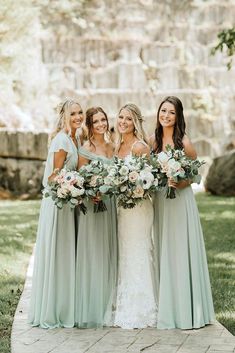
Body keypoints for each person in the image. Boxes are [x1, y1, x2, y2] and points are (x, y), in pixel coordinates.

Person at [151, 96, 215, 329]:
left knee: (180, 248)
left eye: (171, 112)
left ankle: (188, 309)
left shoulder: (184, 141)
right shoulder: (153, 141)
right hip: (161, 201)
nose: (166, 115)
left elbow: (196, 175)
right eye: (163, 111)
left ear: (178, 117)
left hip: (180, 200)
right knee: (164, 247)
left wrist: (181, 182)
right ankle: (167, 305)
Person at [29, 98, 84, 328]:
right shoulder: (62, 140)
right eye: (73, 114)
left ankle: (64, 304)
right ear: (64, 116)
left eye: (80, 113)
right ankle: (54, 309)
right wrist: (70, 183)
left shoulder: (75, 138)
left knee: (66, 253)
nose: (78, 117)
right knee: (58, 253)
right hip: (58, 204)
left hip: (68, 201)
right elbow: (53, 176)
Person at [114, 103, 158, 329]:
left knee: (139, 250)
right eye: (121, 117)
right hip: (121, 208)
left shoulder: (140, 147)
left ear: (136, 122)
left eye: (128, 119)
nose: (123, 122)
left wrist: (135, 187)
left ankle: (144, 307)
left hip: (139, 207)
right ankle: (125, 302)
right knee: (125, 252)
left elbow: (152, 181)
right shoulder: (117, 146)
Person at [75, 107, 118, 328]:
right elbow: (81, 181)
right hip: (94, 207)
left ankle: (109, 303)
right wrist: (92, 192)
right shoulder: (85, 149)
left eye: (103, 119)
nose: (101, 124)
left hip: (110, 205)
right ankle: (91, 305)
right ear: (89, 126)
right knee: (94, 252)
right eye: (95, 121)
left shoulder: (112, 146)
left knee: (109, 251)